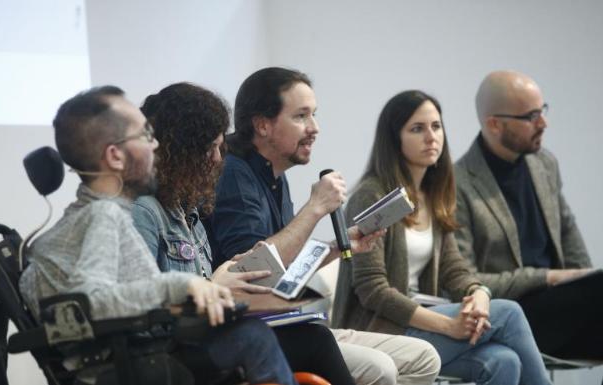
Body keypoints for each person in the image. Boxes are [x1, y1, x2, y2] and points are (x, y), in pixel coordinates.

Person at [18, 86, 298, 385]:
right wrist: (184, 284)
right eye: (145, 136)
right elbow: (91, 301)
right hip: (132, 366)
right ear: (115, 156)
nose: (155, 146)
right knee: (252, 337)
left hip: (130, 359)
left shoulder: (76, 223)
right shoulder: (104, 215)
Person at [206, 67, 441, 385]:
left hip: (291, 322)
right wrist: (315, 208)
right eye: (301, 116)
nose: (314, 128)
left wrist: (338, 247)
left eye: (314, 115)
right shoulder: (235, 176)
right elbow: (256, 273)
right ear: (262, 125)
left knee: (424, 357)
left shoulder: (275, 176)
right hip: (258, 330)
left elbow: (284, 267)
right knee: (378, 367)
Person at [131, 81, 356, 385]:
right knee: (292, 339)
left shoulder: (189, 213)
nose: (216, 160)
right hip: (169, 350)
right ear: (178, 153)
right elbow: (142, 307)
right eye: (208, 149)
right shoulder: (145, 212)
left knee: (311, 335)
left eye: (219, 147)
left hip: (204, 335)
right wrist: (214, 285)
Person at [334, 90, 552, 385]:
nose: (431, 137)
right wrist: (448, 325)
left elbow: (454, 269)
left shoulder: (433, 194)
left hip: (424, 322)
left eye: (436, 127)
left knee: (504, 361)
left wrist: (479, 293)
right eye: (417, 129)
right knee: (510, 313)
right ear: (394, 139)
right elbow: (373, 290)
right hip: (382, 330)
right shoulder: (372, 196)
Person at [454, 70, 603, 359]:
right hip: (511, 312)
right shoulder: (458, 184)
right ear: (494, 124)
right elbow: (467, 281)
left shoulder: (544, 164)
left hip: (563, 309)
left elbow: (569, 234)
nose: (543, 123)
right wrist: (547, 277)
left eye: (542, 111)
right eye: (531, 116)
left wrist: (587, 283)